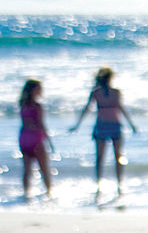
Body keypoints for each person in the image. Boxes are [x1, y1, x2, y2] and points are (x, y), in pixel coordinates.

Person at [68, 67, 137, 196]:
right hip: (108, 126)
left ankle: (114, 183)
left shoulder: (106, 92)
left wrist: (131, 124)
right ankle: (107, 184)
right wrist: (77, 125)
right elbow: (88, 109)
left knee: (106, 157)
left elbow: (88, 109)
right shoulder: (102, 92)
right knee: (112, 157)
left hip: (110, 126)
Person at [16, 78, 53, 200]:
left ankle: (26, 193)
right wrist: (49, 141)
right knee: (44, 168)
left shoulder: (22, 105)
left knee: (27, 169)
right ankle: (48, 193)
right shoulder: (37, 106)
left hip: (24, 137)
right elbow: (41, 124)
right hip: (36, 138)